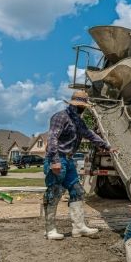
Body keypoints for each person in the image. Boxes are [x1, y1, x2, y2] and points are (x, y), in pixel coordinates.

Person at [43, 89, 112, 240]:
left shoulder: (78, 121)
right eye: (80, 106)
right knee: (54, 191)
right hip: (57, 158)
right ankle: (50, 229)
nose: (81, 109)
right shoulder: (60, 117)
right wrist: (54, 161)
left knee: (77, 191)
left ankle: (79, 227)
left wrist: (107, 147)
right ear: (73, 105)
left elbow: (89, 134)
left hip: (69, 159)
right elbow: (53, 138)